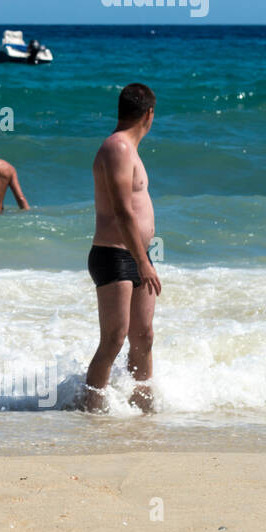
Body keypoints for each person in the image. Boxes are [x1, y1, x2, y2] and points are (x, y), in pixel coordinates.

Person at [84, 83, 160, 413]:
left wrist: (143, 258)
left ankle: (142, 408)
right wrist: (143, 262)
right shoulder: (118, 148)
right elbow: (121, 210)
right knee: (115, 338)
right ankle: (91, 409)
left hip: (138, 254)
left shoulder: (129, 148)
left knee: (143, 337)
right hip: (114, 253)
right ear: (149, 114)